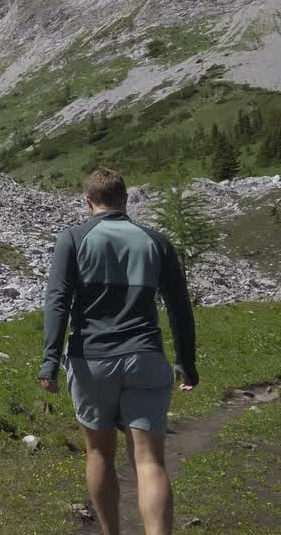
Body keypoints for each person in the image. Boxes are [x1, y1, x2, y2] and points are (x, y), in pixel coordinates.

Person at [39, 168, 199, 535]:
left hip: (90, 359)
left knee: (98, 454)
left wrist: (50, 361)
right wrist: (186, 362)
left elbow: (57, 301)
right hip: (145, 356)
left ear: (87, 202)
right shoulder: (156, 241)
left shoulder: (74, 239)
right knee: (149, 461)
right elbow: (179, 307)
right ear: (126, 200)